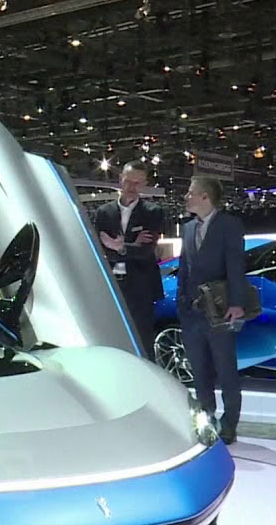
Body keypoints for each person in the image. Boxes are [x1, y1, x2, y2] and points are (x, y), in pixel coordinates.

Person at [177, 175, 247, 445]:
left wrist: (237, 303)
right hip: (191, 313)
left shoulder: (229, 225)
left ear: (205, 197)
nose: (187, 197)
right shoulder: (188, 228)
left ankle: (230, 424)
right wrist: (181, 303)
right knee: (199, 371)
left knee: (226, 369)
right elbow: (184, 268)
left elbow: (235, 266)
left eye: (191, 192)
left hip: (220, 310)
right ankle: (206, 418)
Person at [93, 161, 165, 359]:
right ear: (120, 180)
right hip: (113, 284)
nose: (132, 187)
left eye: (138, 183)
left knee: (143, 342)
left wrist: (119, 246)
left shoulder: (153, 212)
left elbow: (146, 251)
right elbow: (100, 249)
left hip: (141, 287)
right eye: (128, 181)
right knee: (111, 339)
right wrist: (131, 245)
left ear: (145, 184)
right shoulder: (104, 212)